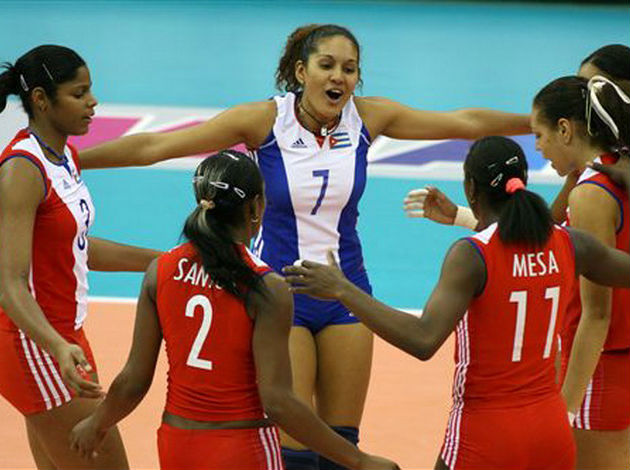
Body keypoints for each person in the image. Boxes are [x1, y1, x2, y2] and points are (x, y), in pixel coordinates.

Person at [76, 24, 531, 469]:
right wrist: (72, 161)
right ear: (300, 71)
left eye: (349, 69)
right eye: (327, 65)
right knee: (294, 448)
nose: (339, 77)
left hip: (346, 290)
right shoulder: (264, 121)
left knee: (342, 446)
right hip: (279, 292)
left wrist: (538, 122)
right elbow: (156, 146)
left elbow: (465, 123)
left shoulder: (368, 117)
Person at [283, 136, 630, 470]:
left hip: (487, 431)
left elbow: (422, 339)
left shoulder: (472, 255)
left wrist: (343, 290)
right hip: (550, 428)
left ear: (471, 189)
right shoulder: (571, 244)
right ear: (522, 181)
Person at [68, 151, 398, 470]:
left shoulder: (160, 271)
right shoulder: (265, 286)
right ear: (256, 208)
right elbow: (278, 402)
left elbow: (133, 380)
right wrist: (359, 461)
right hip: (241, 446)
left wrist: (97, 423)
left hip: (177, 443)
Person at [0, 45, 161, 469]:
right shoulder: (22, 172)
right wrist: (55, 345)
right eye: (79, 93)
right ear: (40, 99)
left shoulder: (63, 158)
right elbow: (9, 285)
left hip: (60, 335)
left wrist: (164, 261)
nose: (93, 102)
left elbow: (77, 247)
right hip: (34, 341)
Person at [405, 43, 630, 228]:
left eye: (594, 89)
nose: (584, 98)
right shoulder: (590, 169)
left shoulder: (592, 188)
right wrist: (461, 216)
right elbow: (547, 236)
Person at [531, 74, 630, 470]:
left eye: (539, 135)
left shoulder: (590, 193)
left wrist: (565, 408)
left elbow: (597, 314)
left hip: (603, 369)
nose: (538, 147)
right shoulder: (616, 170)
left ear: (565, 130)